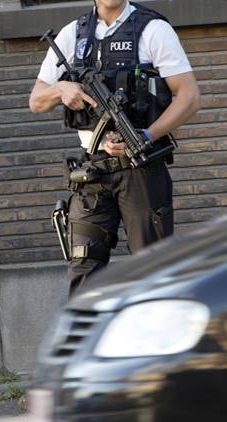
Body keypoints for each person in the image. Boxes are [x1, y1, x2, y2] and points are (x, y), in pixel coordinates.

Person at [29, 0, 200, 293]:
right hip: (92, 173)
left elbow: (189, 97)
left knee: (154, 274)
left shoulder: (153, 29)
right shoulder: (74, 34)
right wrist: (62, 89)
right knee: (83, 274)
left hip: (141, 169)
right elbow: (37, 101)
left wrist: (147, 135)